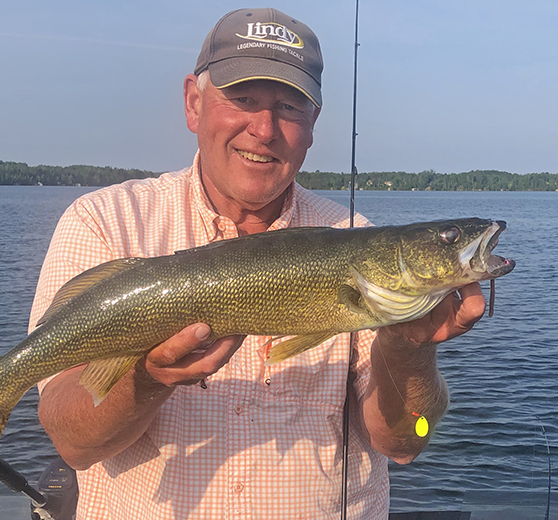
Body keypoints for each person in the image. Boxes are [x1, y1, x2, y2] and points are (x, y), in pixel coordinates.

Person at [29, 8, 486, 519]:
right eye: (243, 99)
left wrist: (408, 346)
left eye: (290, 106)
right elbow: (72, 442)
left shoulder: (354, 237)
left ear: (313, 126)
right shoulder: (104, 222)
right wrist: (149, 379)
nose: (265, 129)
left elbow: (407, 442)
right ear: (192, 103)